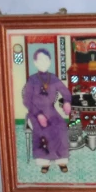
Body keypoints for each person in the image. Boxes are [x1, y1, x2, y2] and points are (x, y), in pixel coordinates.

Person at [23, 49, 73, 177]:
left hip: (51, 110)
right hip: (35, 112)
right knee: (43, 129)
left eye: (46, 60)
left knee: (61, 126)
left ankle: (61, 159)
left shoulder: (54, 78)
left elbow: (66, 92)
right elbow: (27, 101)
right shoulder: (32, 79)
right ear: (35, 62)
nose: (43, 62)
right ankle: (44, 162)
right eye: (40, 60)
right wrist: (38, 114)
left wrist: (67, 102)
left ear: (50, 61)